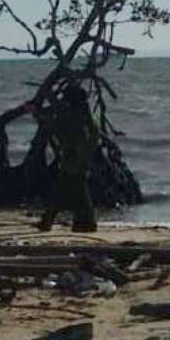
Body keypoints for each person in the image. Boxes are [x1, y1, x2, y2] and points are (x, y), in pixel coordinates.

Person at [39, 85, 99, 233]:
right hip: (81, 155)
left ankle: (49, 221)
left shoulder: (73, 114)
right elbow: (93, 135)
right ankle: (84, 222)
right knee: (77, 189)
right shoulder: (84, 113)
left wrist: (42, 117)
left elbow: (59, 128)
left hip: (73, 156)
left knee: (64, 189)